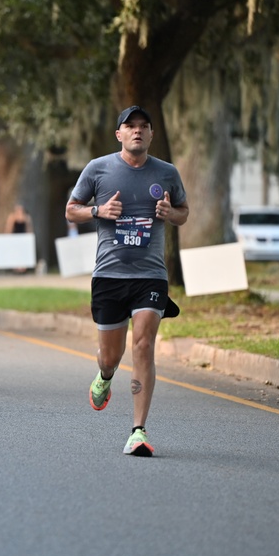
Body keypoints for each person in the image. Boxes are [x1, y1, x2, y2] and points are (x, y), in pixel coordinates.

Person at [65, 105, 189, 457]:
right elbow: (70, 210)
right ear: (118, 134)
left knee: (144, 345)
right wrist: (97, 211)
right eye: (129, 126)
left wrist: (170, 214)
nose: (137, 131)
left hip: (150, 275)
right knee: (111, 357)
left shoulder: (166, 173)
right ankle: (104, 378)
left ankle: (138, 431)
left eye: (143, 126)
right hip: (109, 275)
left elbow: (183, 211)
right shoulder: (98, 169)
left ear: (151, 134)